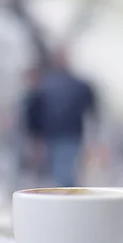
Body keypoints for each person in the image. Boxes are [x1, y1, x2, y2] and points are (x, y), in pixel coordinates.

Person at [33, 50, 101, 187]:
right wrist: (36, 137)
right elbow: (36, 112)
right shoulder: (46, 85)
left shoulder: (75, 85)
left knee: (63, 173)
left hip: (70, 136)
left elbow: (92, 110)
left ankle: (68, 199)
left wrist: (94, 138)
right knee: (59, 172)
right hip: (52, 136)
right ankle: (69, 198)